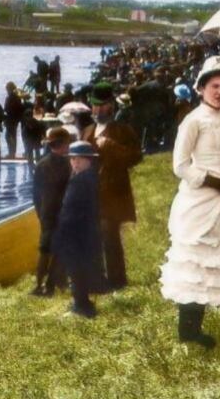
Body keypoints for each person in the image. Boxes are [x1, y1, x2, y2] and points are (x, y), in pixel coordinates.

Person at [159, 56, 220, 349]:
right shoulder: (193, 120)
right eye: (214, 86)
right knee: (196, 263)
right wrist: (216, 182)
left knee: (219, 262)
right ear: (201, 88)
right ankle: (188, 331)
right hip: (201, 200)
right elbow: (180, 165)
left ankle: (201, 327)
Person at [81, 82, 142, 292]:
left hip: (113, 193)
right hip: (90, 193)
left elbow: (136, 157)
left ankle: (117, 281)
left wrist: (112, 147)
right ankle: (96, 278)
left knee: (109, 236)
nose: (97, 110)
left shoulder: (122, 130)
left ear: (111, 106)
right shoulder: (87, 130)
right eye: (94, 105)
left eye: (101, 105)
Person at [51, 141, 103, 318]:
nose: (75, 163)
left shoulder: (81, 180)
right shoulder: (88, 177)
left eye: (80, 159)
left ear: (89, 160)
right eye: (73, 159)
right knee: (79, 268)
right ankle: (83, 303)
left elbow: (71, 210)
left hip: (76, 233)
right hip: (84, 232)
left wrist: (60, 233)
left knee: (75, 269)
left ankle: (82, 307)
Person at [31, 127, 72, 296]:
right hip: (63, 212)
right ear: (63, 144)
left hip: (46, 213)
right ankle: (52, 284)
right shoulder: (69, 164)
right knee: (59, 250)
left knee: (44, 250)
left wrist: (40, 213)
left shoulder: (41, 164)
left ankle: (39, 285)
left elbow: (35, 193)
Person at [3, 82, 24, 159]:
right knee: (13, 136)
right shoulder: (17, 98)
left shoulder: (10, 98)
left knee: (9, 136)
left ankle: (11, 153)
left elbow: (6, 108)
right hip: (15, 119)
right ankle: (12, 152)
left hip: (10, 119)